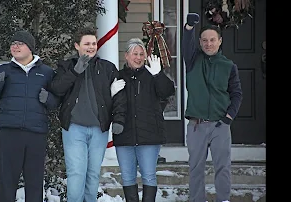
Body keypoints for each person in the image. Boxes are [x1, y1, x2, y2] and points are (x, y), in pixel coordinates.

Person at [49, 26, 127, 202]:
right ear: (77, 46)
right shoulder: (67, 66)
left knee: (92, 174)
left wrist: (118, 119)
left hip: (99, 129)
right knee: (77, 172)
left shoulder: (107, 68)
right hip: (74, 128)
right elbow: (56, 88)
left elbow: (119, 97)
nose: (91, 47)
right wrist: (75, 71)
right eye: (87, 43)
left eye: (93, 43)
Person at [0, 30, 59, 202]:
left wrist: (48, 99)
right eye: (13, 43)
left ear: (30, 47)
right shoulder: (3, 70)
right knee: (7, 181)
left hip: (36, 133)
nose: (15, 47)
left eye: (20, 43)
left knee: (34, 182)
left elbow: (56, 102)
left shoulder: (46, 72)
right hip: (10, 133)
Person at [182, 13, 243, 202]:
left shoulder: (228, 66)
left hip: (220, 125)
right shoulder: (193, 61)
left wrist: (228, 118)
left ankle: (223, 199)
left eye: (212, 40)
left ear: (220, 41)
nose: (208, 44)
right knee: (196, 167)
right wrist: (189, 28)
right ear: (200, 42)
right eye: (205, 40)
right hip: (196, 125)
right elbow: (186, 45)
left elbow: (236, 94)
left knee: (223, 166)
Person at [111, 38, 175, 202]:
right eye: (135, 54)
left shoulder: (151, 74)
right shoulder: (118, 76)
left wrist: (158, 75)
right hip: (125, 135)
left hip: (149, 136)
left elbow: (167, 92)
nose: (138, 57)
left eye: (141, 54)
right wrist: (110, 94)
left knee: (148, 176)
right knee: (127, 177)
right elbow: (108, 106)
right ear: (126, 56)